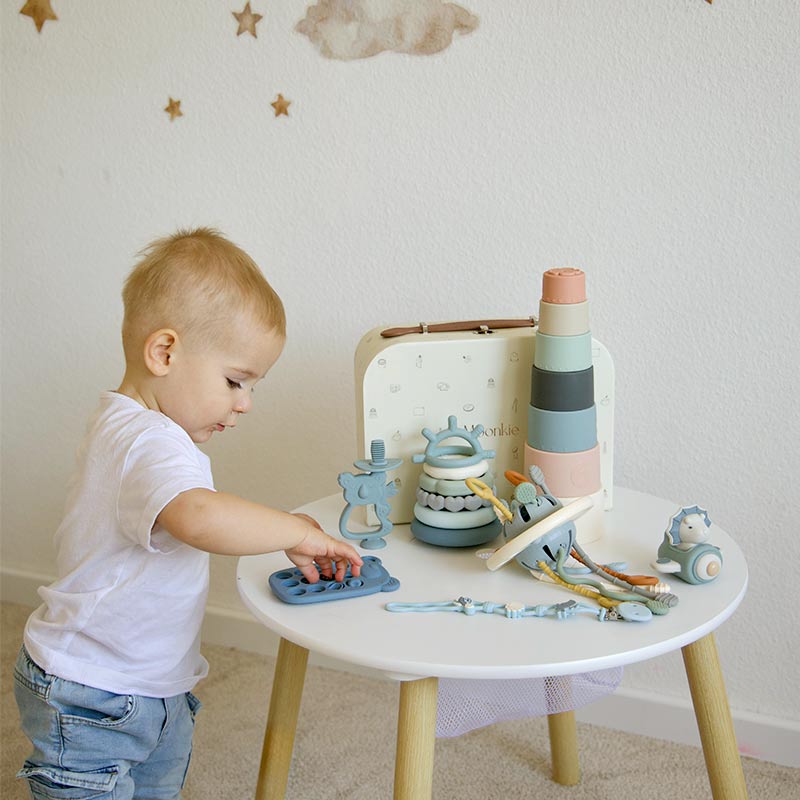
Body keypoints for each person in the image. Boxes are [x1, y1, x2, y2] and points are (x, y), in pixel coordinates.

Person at [13, 227, 363, 799]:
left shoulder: (124, 421)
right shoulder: (150, 443)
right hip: (90, 691)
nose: (244, 403)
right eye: (234, 381)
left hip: (148, 682)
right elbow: (197, 516)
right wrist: (294, 530)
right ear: (165, 352)